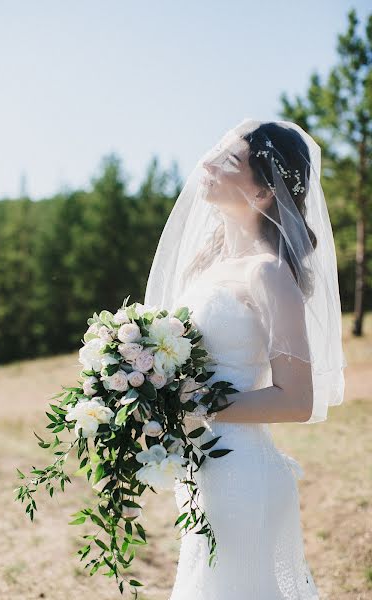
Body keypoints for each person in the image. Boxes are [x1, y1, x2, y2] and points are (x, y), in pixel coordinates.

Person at [144, 118, 347, 599]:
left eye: (229, 160)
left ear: (262, 194)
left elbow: (296, 400)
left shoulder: (270, 275)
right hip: (203, 470)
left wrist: (194, 405)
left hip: (242, 475)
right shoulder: (208, 264)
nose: (207, 163)